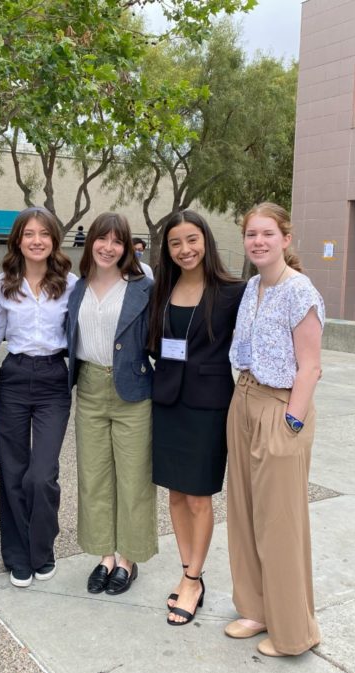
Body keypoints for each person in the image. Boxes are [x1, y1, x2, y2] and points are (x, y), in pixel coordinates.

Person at [224, 202, 324, 658]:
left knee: (279, 522)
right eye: (251, 235)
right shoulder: (252, 288)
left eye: (267, 234)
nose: (258, 242)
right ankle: (256, 608)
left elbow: (310, 367)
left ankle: (293, 631)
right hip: (242, 400)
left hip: (281, 407)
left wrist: (293, 422)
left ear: (286, 238)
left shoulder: (299, 291)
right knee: (244, 513)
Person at [147, 211, 244, 626]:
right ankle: (189, 569)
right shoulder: (162, 290)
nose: (185, 250)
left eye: (192, 240)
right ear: (167, 250)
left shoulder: (232, 292)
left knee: (199, 496)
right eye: (175, 243)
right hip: (167, 401)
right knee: (174, 494)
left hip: (208, 405)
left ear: (206, 240)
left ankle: (192, 577)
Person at [66, 212, 156, 597]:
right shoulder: (76, 288)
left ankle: (127, 559)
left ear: (127, 248)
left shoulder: (142, 286)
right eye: (102, 239)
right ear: (91, 243)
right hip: (88, 388)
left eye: (117, 241)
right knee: (94, 477)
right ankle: (105, 555)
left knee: (134, 477)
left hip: (133, 390)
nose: (108, 247)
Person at [0, 206, 76, 587]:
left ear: (54, 240)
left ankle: (42, 549)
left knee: (41, 475)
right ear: (18, 240)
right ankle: (17, 556)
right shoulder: (2, 283)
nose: (37, 240)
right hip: (13, 375)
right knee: (12, 471)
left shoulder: (71, 284)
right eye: (29, 234)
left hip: (53, 380)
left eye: (44, 233)